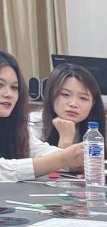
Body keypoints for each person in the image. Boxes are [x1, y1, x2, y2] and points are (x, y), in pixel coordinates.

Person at [0, 50, 84, 180]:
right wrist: (62, 159)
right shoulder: (36, 119)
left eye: (14, 87)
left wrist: (80, 157)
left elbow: (39, 151)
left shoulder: (13, 126)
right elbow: (3, 170)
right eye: (0, 85)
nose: (8, 94)